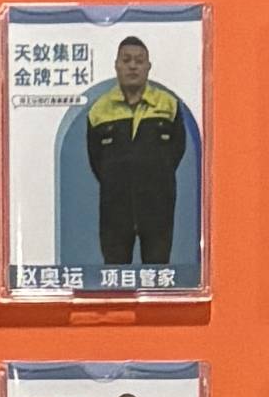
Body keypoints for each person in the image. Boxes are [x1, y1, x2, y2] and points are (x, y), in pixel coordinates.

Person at [81, 33, 189, 277]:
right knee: (115, 275)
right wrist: (118, 179)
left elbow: (176, 151)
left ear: (148, 66)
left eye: (139, 61)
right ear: (116, 65)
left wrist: (153, 175)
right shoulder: (99, 110)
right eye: (126, 60)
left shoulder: (168, 105)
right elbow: (96, 159)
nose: (132, 66)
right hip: (114, 207)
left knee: (158, 275)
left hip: (158, 205)